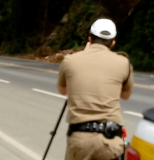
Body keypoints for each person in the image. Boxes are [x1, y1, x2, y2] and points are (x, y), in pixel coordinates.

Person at [57, 18, 134, 160]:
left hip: (80, 140)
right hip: (110, 141)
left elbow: (63, 91)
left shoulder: (70, 60)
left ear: (90, 39)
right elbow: (125, 95)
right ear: (113, 42)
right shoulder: (124, 63)